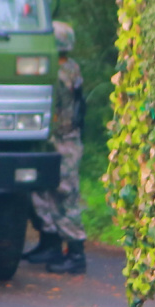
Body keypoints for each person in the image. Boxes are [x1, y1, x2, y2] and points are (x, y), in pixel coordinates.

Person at [26, 20, 88, 274]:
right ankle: (49, 242)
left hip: (64, 141)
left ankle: (76, 252)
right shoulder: (69, 67)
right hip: (53, 140)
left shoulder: (62, 72)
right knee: (42, 191)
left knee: (64, 193)